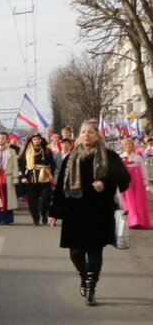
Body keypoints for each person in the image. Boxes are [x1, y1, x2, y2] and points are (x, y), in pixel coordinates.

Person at [49, 122, 131, 306]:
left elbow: (124, 180)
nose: (86, 135)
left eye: (91, 132)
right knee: (76, 253)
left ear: (97, 136)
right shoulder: (70, 157)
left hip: (99, 210)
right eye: (83, 132)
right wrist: (54, 211)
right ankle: (85, 278)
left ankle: (91, 288)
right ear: (79, 136)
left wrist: (106, 183)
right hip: (74, 211)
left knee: (95, 250)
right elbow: (61, 187)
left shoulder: (109, 156)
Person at [19, 133, 56, 225]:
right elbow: (23, 165)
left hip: (45, 177)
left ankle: (44, 213)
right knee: (32, 201)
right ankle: (35, 218)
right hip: (31, 178)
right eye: (35, 139)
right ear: (32, 141)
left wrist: (51, 175)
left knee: (46, 198)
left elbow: (53, 164)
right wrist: (23, 176)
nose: (37, 141)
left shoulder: (47, 150)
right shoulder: (27, 151)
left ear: (41, 140)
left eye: (38, 139)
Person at [117, 137, 150, 229]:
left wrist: (145, 181)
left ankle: (139, 220)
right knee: (128, 200)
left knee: (138, 200)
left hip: (137, 181)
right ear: (123, 147)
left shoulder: (138, 157)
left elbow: (143, 169)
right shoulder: (120, 157)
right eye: (126, 145)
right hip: (126, 180)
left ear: (133, 146)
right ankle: (132, 220)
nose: (128, 146)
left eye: (130, 144)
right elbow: (117, 170)